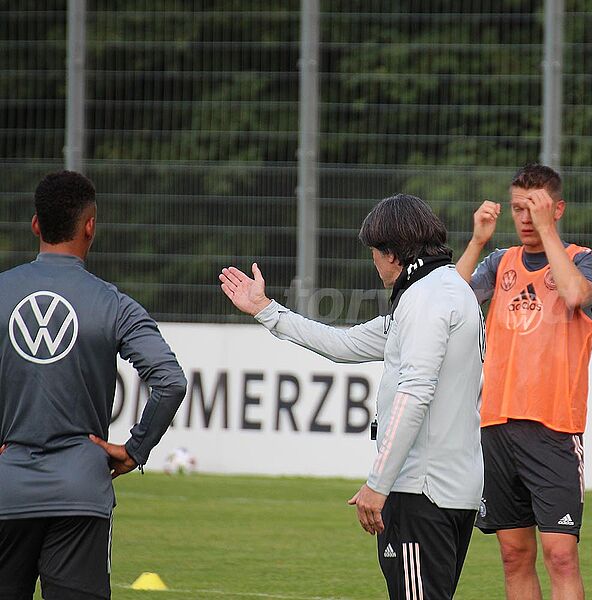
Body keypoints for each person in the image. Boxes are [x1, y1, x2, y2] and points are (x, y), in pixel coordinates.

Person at [219, 193, 484, 600]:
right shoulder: (449, 290)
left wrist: (379, 482)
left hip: (420, 491)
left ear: (392, 253)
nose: (373, 262)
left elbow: (415, 393)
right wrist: (267, 310)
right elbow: (344, 344)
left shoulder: (425, 299)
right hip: (454, 491)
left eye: (374, 252)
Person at [0, 171, 188, 600]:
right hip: (80, 489)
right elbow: (170, 381)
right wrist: (136, 448)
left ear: (35, 225)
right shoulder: (113, 303)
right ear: (90, 226)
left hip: (6, 490)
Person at [456, 164, 592, 600]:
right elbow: (448, 301)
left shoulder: (585, 259)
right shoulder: (499, 261)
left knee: (561, 556)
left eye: (535, 208)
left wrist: (546, 231)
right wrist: (477, 241)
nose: (525, 218)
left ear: (557, 209)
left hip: (554, 430)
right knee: (513, 556)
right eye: (518, 209)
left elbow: (575, 294)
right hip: (497, 426)